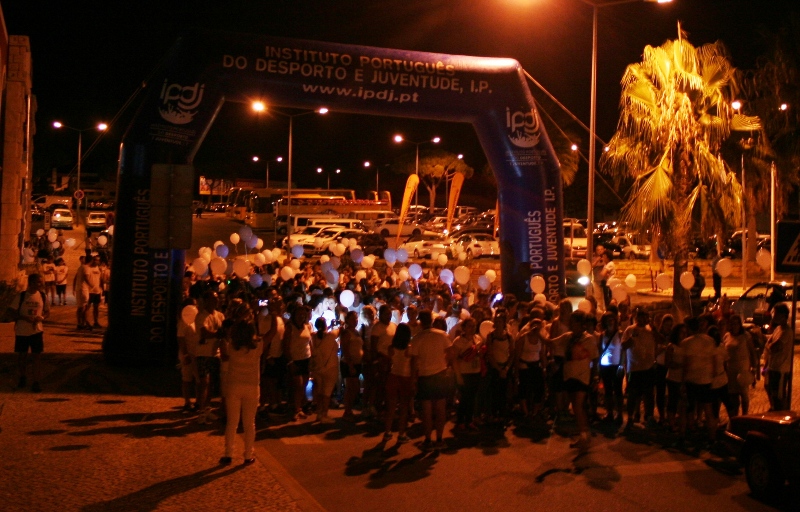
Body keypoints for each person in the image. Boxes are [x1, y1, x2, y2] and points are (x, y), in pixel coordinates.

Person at [219, 301, 262, 466]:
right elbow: (270, 334)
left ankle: (228, 453)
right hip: (252, 386)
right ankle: (248, 454)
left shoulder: (232, 346)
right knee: (249, 423)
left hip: (234, 385)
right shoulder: (258, 346)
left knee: (232, 422)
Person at [410, 310, 453, 451]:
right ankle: (439, 439)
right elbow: (450, 353)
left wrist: (413, 380)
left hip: (425, 376)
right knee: (440, 409)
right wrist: (444, 364)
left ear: (420, 322)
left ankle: (428, 440)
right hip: (440, 374)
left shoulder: (417, 338)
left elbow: (414, 362)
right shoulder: (442, 335)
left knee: (427, 411)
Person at [561, 310, 599, 451]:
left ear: (580, 324)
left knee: (578, 405)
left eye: (573, 322)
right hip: (570, 375)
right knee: (576, 407)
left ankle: (585, 435)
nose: (570, 324)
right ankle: (583, 434)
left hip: (582, 377)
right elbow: (553, 343)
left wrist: (595, 376)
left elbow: (595, 359)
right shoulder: (569, 337)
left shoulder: (588, 339)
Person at [9, 274, 50, 392]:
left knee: (36, 357)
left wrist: (41, 317)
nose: (41, 284)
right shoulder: (21, 296)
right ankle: (22, 377)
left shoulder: (42, 296)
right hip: (22, 331)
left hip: (37, 331)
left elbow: (47, 312)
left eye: (41, 282)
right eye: (38, 282)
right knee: (22, 356)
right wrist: (24, 318)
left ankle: (36, 382)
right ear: (31, 283)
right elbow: (11, 311)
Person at [621, 308, 657, 429]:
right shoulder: (630, 329)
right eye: (641, 317)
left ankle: (649, 416)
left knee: (649, 394)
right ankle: (631, 417)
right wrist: (632, 338)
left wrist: (655, 330)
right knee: (633, 394)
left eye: (645, 317)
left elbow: (661, 340)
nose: (643, 319)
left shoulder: (651, 330)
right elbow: (623, 346)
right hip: (634, 368)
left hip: (648, 367)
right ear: (636, 318)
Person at [195, 290, 225, 424]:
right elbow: (205, 333)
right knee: (204, 382)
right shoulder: (201, 316)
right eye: (213, 299)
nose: (216, 301)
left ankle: (207, 408)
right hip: (203, 353)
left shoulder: (220, 315)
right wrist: (219, 333)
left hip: (215, 353)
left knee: (212, 383)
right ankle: (201, 411)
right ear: (206, 301)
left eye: (217, 299)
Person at [723, 314, 759, 416]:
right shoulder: (727, 336)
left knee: (744, 394)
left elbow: (752, 352)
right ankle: (735, 416)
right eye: (732, 324)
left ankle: (745, 415)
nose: (735, 326)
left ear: (740, 324)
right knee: (733, 395)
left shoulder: (746, 336)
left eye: (736, 324)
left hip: (743, 369)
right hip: (731, 370)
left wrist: (754, 368)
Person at [384, 323, 414, 442]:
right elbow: (413, 366)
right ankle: (401, 434)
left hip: (393, 376)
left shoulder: (391, 348)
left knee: (391, 407)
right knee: (404, 407)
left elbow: (389, 362)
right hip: (405, 377)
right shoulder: (410, 348)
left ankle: (387, 432)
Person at [452, 317, 484, 431]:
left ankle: (469, 420)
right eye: (469, 326)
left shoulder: (477, 338)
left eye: (474, 326)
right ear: (464, 328)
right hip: (464, 373)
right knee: (464, 398)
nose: (472, 328)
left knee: (472, 398)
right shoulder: (458, 341)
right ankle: (461, 421)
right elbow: (454, 359)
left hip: (475, 371)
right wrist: (458, 375)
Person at [283, 305, 312, 421]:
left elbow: (310, 342)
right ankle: (296, 409)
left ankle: (299, 407)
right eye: (299, 314)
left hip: (306, 358)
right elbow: (285, 345)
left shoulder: (307, 326)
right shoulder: (290, 327)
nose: (301, 316)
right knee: (298, 385)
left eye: (303, 314)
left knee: (304, 384)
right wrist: (290, 361)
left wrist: (312, 357)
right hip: (295, 359)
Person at [763, 304, 793, 411]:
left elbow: (773, 347)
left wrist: (769, 345)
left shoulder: (786, 332)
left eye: (775, 313)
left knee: (779, 395)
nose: (773, 315)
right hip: (772, 367)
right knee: (769, 389)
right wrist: (766, 366)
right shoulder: (778, 329)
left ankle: (781, 413)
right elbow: (769, 344)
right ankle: (774, 409)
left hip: (780, 370)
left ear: (783, 315)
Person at [311, 317, 340, 424]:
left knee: (319, 392)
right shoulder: (331, 336)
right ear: (325, 325)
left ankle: (319, 413)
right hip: (330, 368)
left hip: (317, 368)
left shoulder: (313, 336)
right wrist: (338, 323)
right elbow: (340, 329)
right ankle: (324, 414)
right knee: (327, 393)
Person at [598, 312, 624, 423]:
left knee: (618, 390)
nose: (610, 322)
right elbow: (600, 350)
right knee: (608, 390)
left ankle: (619, 414)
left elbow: (623, 350)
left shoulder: (620, 334)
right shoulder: (602, 335)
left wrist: (621, 365)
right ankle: (609, 413)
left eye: (612, 319)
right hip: (605, 366)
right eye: (608, 320)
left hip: (616, 365)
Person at [176, 298, 199, 412]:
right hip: (188, 353)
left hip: (197, 353)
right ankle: (187, 401)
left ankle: (198, 401)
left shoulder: (196, 319)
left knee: (198, 378)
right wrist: (185, 354)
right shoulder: (183, 321)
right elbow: (181, 338)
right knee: (187, 378)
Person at [340, 310, 363, 420]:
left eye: (356, 318)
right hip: (349, 363)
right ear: (348, 320)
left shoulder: (356, 332)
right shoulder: (346, 333)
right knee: (350, 387)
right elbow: (345, 349)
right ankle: (347, 410)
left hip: (357, 362)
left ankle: (349, 409)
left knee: (355, 387)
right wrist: (350, 365)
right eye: (353, 318)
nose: (355, 320)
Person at [82, 255, 104, 329]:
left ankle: (96, 322)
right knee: (87, 307)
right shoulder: (88, 268)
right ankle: (86, 322)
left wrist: (101, 288)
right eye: (95, 260)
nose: (96, 261)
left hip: (97, 291)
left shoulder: (98, 268)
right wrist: (90, 285)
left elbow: (100, 278)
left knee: (96, 307)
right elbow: (86, 278)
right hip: (90, 291)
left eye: (98, 260)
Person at [72, 256, 88, 329]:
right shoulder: (81, 268)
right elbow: (75, 278)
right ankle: (80, 323)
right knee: (81, 307)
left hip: (85, 290)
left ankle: (83, 322)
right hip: (81, 289)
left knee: (84, 307)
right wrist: (73, 288)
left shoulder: (84, 267)